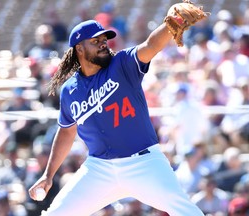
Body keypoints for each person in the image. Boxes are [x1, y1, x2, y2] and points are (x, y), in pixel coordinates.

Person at [28, 17, 205, 216]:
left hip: (144, 162)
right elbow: (67, 132)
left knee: (186, 211)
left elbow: (151, 45)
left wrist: (172, 23)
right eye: (95, 41)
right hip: (99, 168)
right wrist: (48, 174)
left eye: (104, 40)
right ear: (79, 48)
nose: (103, 44)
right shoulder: (70, 91)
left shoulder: (122, 64)